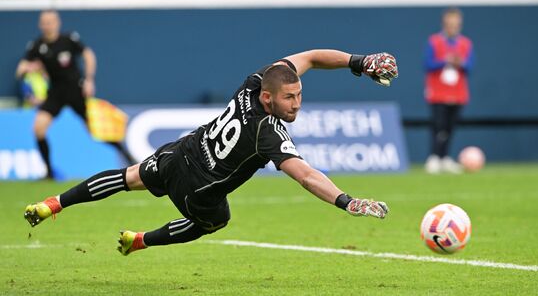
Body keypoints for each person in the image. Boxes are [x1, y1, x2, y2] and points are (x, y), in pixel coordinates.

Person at [23, 49, 399, 256]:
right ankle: (140, 241)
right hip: (200, 190)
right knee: (215, 222)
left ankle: (53, 204)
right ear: (269, 98)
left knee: (129, 177)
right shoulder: (266, 132)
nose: (297, 104)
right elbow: (305, 174)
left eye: (299, 95)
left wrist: (357, 62)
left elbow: (312, 58)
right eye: (290, 97)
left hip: (182, 151)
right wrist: (346, 201)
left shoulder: (255, 83)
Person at [15, 10, 136, 179]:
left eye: (50, 21)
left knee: (96, 131)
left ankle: (129, 157)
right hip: (55, 93)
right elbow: (20, 69)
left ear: (57, 23)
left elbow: (88, 55)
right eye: (44, 22)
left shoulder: (69, 40)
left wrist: (89, 79)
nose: (47, 25)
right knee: (38, 129)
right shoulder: (36, 46)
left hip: (75, 90)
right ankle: (49, 172)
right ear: (40, 24)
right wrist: (27, 68)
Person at [424, 8, 474, 174]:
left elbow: (470, 66)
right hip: (438, 92)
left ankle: (444, 157)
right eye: (450, 24)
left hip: (458, 93)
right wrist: (444, 61)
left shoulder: (466, 43)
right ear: (444, 24)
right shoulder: (434, 41)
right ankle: (434, 157)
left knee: (450, 128)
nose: (453, 27)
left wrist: (460, 63)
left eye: (456, 24)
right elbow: (428, 64)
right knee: (438, 126)